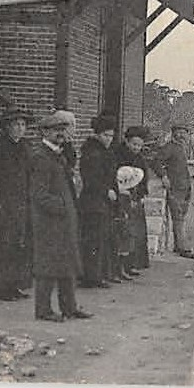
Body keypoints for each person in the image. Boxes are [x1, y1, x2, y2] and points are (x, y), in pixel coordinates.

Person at [27, 110, 92, 322]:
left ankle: (69, 307)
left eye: (63, 130)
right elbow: (39, 194)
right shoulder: (41, 157)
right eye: (55, 130)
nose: (60, 134)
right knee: (48, 265)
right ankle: (43, 310)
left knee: (67, 263)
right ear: (44, 132)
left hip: (64, 220)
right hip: (49, 221)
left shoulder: (58, 155)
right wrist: (62, 206)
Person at [0, 103, 33, 301]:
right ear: (6, 127)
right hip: (3, 203)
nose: (20, 128)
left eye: (23, 125)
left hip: (22, 202)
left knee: (19, 245)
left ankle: (15, 284)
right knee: (3, 244)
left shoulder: (26, 148)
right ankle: (1, 287)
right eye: (16, 124)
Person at [78, 115, 119, 288]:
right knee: (93, 240)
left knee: (101, 239)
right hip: (93, 202)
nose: (108, 139)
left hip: (103, 202)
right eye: (105, 136)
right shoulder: (92, 153)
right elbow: (91, 179)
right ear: (97, 135)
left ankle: (98, 274)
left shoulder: (105, 152)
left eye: (111, 136)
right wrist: (106, 191)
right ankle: (91, 277)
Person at [154, 124, 194, 259]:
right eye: (178, 133)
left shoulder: (181, 148)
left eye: (184, 133)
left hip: (184, 187)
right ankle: (182, 248)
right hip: (175, 189)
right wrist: (163, 176)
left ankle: (178, 244)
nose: (181, 136)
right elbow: (156, 161)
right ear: (173, 134)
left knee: (181, 217)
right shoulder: (170, 148)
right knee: (178, 217)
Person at [116, 125, 152, 272]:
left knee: (137, 232)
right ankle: (122, 266)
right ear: (127, 141)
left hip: (136, 198)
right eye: (134, 144)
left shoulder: (140, 159)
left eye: (139, 145)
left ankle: (134, 263)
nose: (136, 148)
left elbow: (144, 178)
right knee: (124, 231)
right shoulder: (119, 156)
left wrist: (142, 194)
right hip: (122, 197)